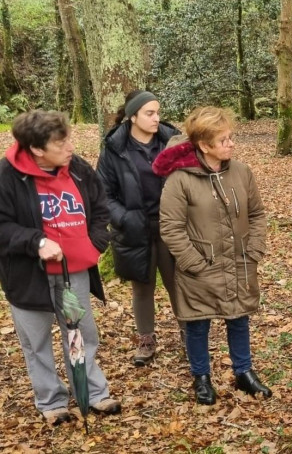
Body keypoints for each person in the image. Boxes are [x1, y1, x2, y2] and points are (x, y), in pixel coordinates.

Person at [0, 110, 121, 425]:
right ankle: (51, 400)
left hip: (75, 274)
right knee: (36, 341)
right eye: (61, 142)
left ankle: (91, 392)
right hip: (28, 277)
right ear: (38, 149)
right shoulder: (7, 176)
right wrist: (36, 242)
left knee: (80, 334)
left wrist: (95, 244)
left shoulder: (77, 168)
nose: (70, 146)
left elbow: (100, 207)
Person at [153, 106, 271, 405]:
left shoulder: (242, 172)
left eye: (231, 137)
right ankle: (201, 377)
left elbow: (256, 213)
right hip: (200, 267)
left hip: (239, 261)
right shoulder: (180, 180)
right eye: (224, 140)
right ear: (204, 146)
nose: (231, 144)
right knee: (197, 322)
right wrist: (193, 262)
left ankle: (243, 372)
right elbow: (170, 227)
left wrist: (254, 249)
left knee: (239, 316)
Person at [96, 90, 183, 366]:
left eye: (158, 112)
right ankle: (146, 339)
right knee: (142, 287)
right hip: (135, 229)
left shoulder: (172, 141)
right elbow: (103, 195)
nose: (157, 118)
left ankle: (189, 333)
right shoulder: (114, 149)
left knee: (179, 284)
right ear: (133, 116)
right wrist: (123, 219)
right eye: (149, 113)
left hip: (172, 226)